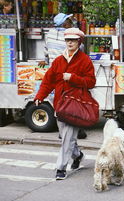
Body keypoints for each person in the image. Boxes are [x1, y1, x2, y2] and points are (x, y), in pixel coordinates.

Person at [33, 28, 96, 180]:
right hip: (60, 104)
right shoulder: (58, 61)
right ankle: (78, 155)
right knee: (66, 137)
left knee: (67, 136)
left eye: (73, 40)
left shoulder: (85, 60)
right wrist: (39, 96)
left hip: (75, 105)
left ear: (79, 42)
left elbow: (91, 82)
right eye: (68, 40)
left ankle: (60, 168)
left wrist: (73, 78)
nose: (70, 43)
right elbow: (48, 81)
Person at [38, 13, 87, 139]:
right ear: (65, 24)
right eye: (69, 21)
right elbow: (80, 49)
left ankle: (63, 131)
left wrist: (46, 60)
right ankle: (73, 130)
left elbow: (46, 51)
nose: (71, 22)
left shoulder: (49, 34)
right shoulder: (70, 37)